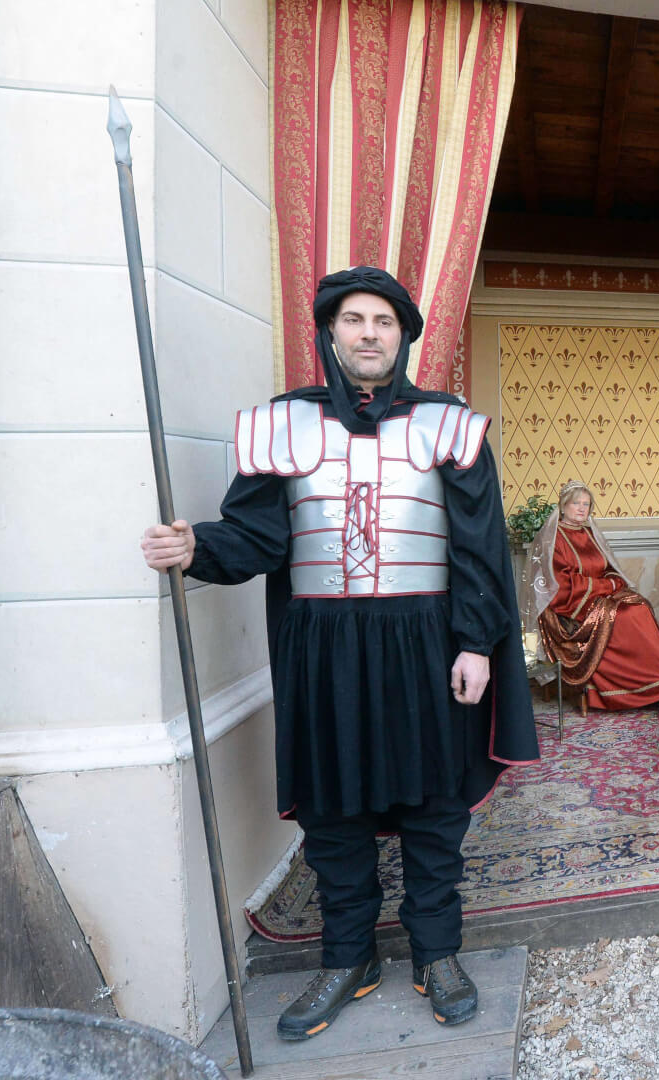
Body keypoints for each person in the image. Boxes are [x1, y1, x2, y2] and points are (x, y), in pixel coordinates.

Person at [140, 267, 537, 1041]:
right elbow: (257, 535)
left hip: (426, 636)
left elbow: (479, 546)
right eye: (354, 319)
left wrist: (475, 643)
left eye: (383, 322)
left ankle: (437, 952)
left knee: (433, 804)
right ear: (330, 332)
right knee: (332, 804)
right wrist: (196, 547)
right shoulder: (282, 424)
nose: (368, 333)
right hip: (321, 641)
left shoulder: (448, 425)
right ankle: (347, 957)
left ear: (403, 336)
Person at [527, 481, 659, 709]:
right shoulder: (553, 538)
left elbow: (608, 568)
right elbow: (563, 585)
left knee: (640, 608)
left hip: (599, 597)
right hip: (572, 605)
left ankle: (656, 680)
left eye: (586, 504)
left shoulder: (589, 533)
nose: (581, 508)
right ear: (563, 506)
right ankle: (633, 689)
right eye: (576, 503)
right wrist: (608, 586)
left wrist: (612, 582)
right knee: (625, 617)